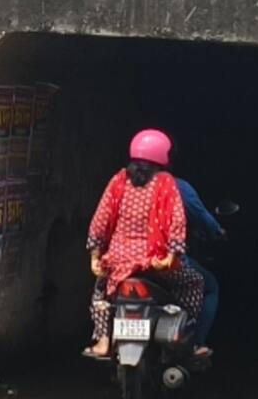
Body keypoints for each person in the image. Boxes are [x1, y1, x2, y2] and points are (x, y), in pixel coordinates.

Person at [82, 129, 206, 360]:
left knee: (101, 294)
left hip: (118, 264)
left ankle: (102, 340)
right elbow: (176, 220)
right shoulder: (165, 182)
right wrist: (172, 256)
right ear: (164, 156)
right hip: (154, 262)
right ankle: (185, 340)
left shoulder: (119, 181)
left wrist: (95, 256)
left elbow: (101, 219)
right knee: (194, 282)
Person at [175, 174, 224, 352]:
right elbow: (202, 216)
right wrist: (217, 232)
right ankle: (195, 342)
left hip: (127, 262)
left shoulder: (123, 184)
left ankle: (104, 338)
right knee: (208, 286)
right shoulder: (175, 186)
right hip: (165, 261)